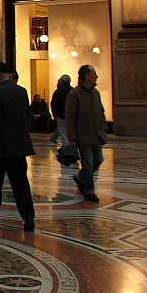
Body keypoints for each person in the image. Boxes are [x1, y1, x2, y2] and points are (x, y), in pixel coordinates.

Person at [0, 62, 36, 232]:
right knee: (21, 183)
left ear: (0, 75)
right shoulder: (21, 91)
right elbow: (27, 118)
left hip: (1, 148)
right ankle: (28, 216)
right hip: (19, 147)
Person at [65, 64, 108, 203]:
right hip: (82, 134)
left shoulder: (95, 93)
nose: (96, 76)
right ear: (86, 76)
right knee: (88, 163)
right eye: (94, 73)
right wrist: (71, 137)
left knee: (99, 159)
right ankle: (89, 191)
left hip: (96, 133)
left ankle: (80, 177)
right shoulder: (74, 94)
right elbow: (70, 117)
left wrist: (103, 126)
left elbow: (100, 111)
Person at [49, 75, 72, 145]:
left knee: (64, 135)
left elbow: (54, 104)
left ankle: (67, 150)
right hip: (72, 116)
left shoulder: (58, 92)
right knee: (69, 134)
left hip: (61, 115)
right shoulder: (73, 91)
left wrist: (55, 114)